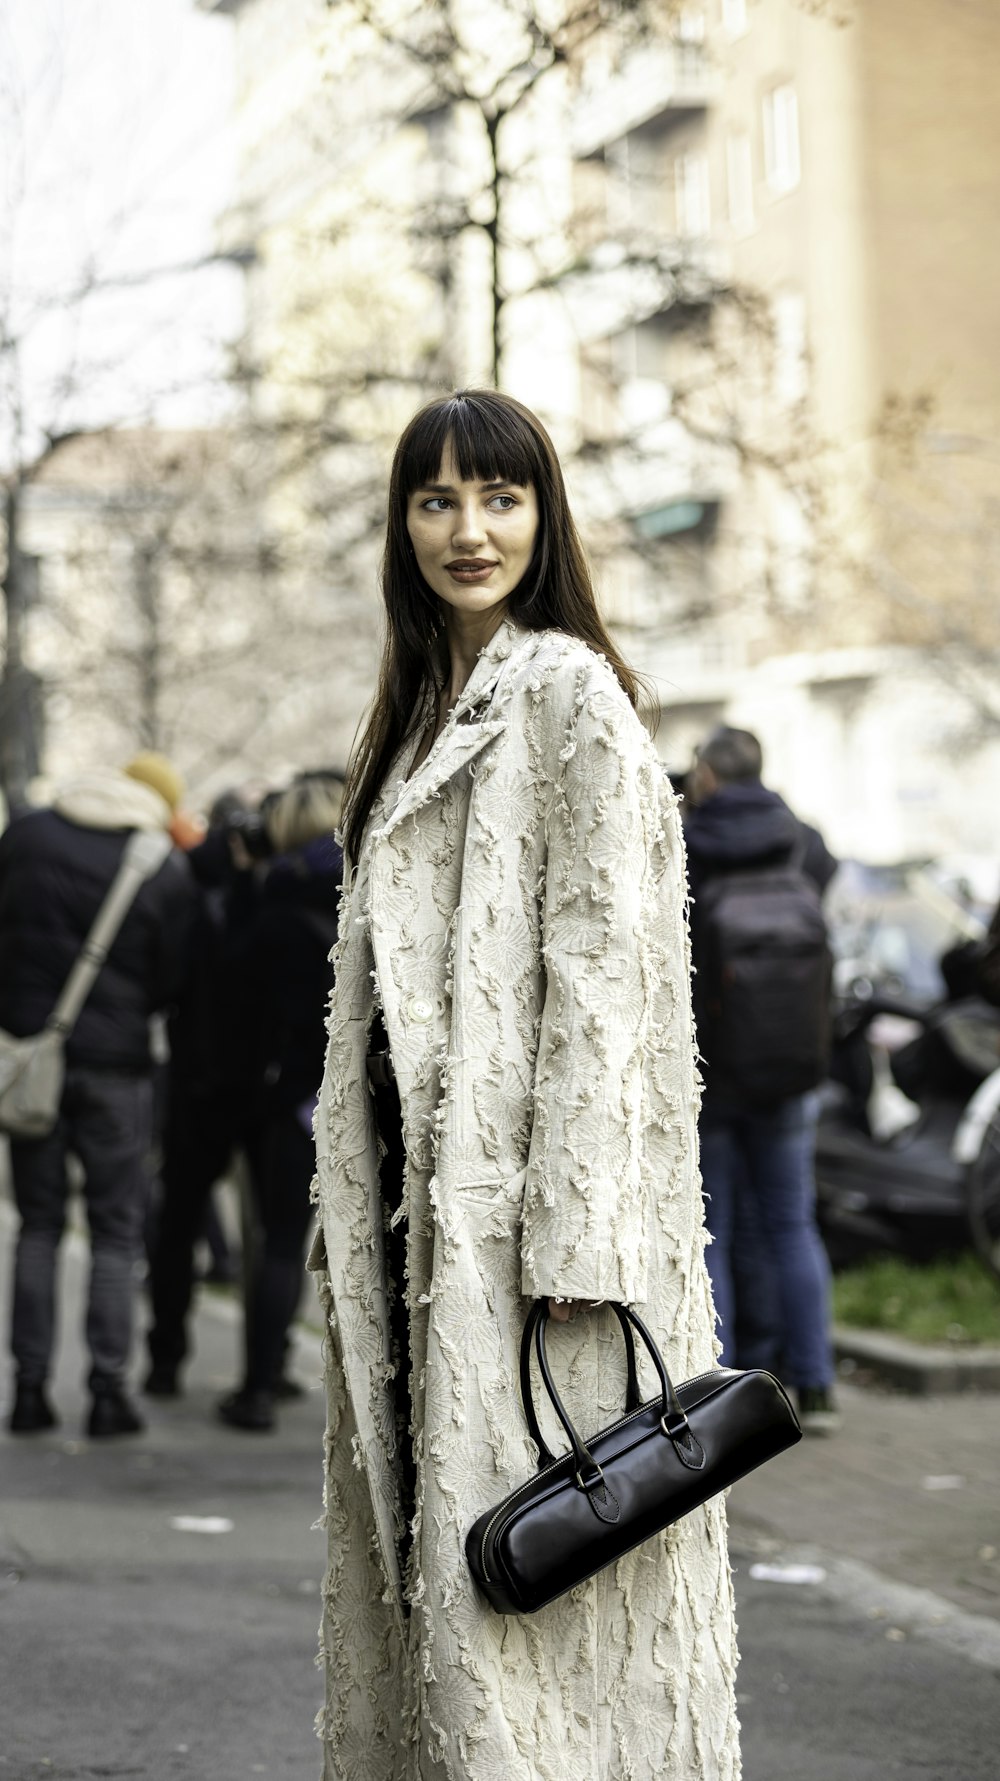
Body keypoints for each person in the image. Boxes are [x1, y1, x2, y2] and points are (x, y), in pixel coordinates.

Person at [308, 390, 740, 1779]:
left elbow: (604, 976)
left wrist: (577, 1227)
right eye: (434, 499)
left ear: (545, 517)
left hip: (530, 1241)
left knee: (534, 1593)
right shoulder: (423, 707)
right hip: (418, 1226)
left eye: (499, 497)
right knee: (448, 1567)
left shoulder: (568, 697)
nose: (467, 527)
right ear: (402, 525)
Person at [0, 752, 196, 1437]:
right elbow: (175, 978)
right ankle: (108, 1392)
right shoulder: (162, 865)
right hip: (118, 1069)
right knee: (115, 1231)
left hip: (34, 1064)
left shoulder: (24, 837)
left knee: (39, 1225)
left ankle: (28, 1390)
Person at [684, 724, 839, 1433]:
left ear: (709, 776)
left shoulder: (686, 841)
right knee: (790, 1220)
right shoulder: (804, 840)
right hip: (791, 1064)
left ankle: (724, 1392)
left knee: (712, 1228)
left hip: (714, 1067)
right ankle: (816, 1380)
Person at [217, 770, 344, 1432]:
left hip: (292, 1097)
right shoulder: (371, 892)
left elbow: (235, 995)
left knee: (279, 1241)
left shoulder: (273, 902)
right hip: (362, 1096)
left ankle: (258, 1386)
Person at [143, 790, 262, 1398]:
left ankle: (165, 1358)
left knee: (178, 1224)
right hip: (255, 1083)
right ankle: (261, 1377)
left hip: (194, 1080)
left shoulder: (185, 885)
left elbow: (165, 980)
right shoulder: (271, 888)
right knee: (263, 1231)